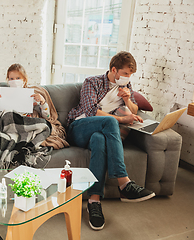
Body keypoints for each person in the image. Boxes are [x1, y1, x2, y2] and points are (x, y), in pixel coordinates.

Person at [66, 51, 155, 231]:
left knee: (100, 140)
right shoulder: (92, 82)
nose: (128, 78)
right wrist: (122, 119)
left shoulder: (126, 85)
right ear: (114, 70)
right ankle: (124, 182)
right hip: (79, 127)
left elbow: (135, 109)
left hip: (99, 132)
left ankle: (94, 201)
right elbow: (91, 111)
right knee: (110, 120)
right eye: (125, 74)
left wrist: (127, 99)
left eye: (130, 75)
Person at [0, 63, 69, 150]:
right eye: (11, 79)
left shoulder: (31, 95)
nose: (15, 81)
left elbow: (47, 116)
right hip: (12, 123)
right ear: (8, 80)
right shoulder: (5, 94)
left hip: (27, 123)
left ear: (24, 79)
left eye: (18, 78)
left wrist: (43, 102)